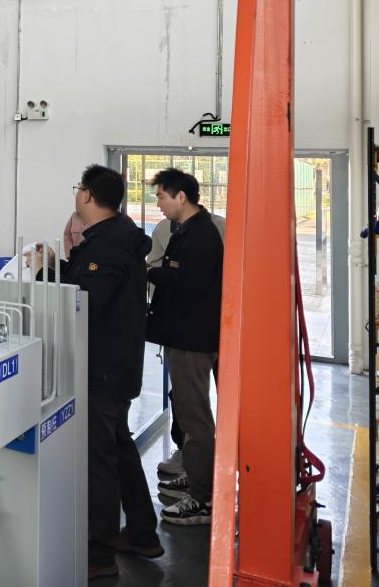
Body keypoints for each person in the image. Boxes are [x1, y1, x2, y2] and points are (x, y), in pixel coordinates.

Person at [63, 164, 160, 578]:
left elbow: (85, 304)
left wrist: (49, 275)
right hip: (118, 366)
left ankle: (99, 554)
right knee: (120, 450)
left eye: (78, 188)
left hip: (101, 369)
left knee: (99, 462)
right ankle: (142, 532)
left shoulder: (106, 246)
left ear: (87, 195)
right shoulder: (121, 235)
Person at [147, 168, 224, 526]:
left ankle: (203, 497)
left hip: (192, 339)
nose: (158, 204)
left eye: (161, 196)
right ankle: (197, 476)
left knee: (194, 418)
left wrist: (149, 272)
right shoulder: (186, 230)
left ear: (181, 197)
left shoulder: (201, 235)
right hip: (184, 335)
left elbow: (188, 284)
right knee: (188, 411)